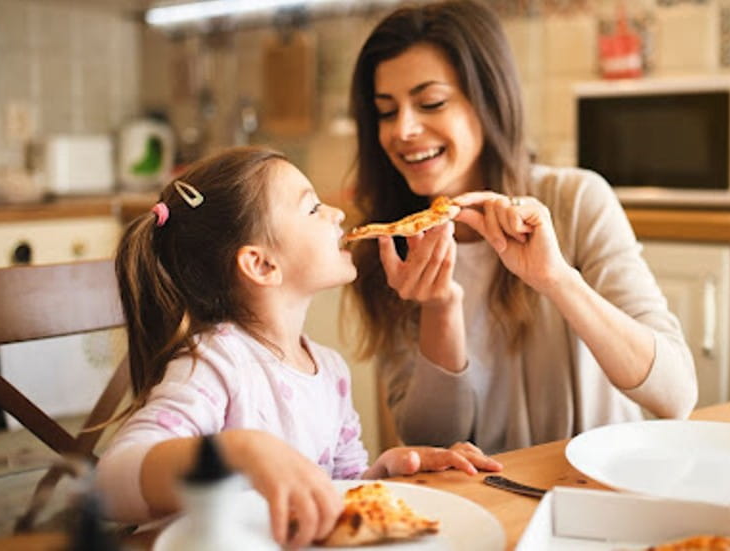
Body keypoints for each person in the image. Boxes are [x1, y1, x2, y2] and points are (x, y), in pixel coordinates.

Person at [95, 146, 501, 548]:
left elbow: (339, 488)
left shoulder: (330, 370)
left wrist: (387, 473)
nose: (337, 214)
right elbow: (110, 484)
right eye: (312, 209)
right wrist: (240, 450)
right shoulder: (217, 364)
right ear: (261, 265)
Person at [347, 0, 698, 455]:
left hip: (599, 487)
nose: (404, 129)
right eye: (386, 111)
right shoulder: (389, 247)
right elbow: (428, 442)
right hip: (488, 503)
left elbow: (675, 395)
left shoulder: (576, 202)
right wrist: (439, 310)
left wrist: (555, 279)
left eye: (430, 102)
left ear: (489, 100)